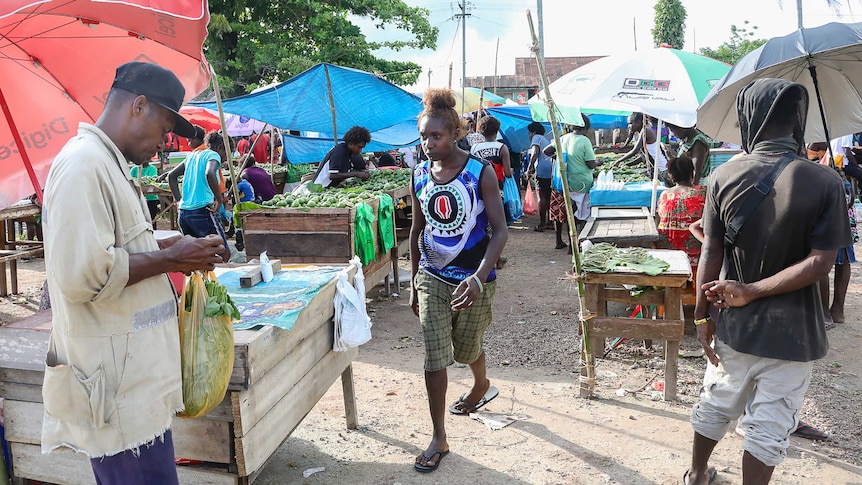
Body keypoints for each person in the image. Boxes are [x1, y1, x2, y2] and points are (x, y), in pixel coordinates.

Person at [41, 61, 228, 485]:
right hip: (115, 393)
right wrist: (171, 259)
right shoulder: (83, 165)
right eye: (165, 130)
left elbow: (116, 248)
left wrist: (176, 247)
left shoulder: (107, 164)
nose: (164, 144)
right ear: (138, 106)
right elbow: (82, 275)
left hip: (134, 384)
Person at [687, 78, 850, 485]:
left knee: (718, 400)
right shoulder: (826, 181)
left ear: (749, 120)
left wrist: (702, 316)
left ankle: (697, 474)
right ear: (798, 120)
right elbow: (823, 262)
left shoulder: (724, 176)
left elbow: (711, 252)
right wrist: (754, 291)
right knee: (771, 423)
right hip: (794, 332)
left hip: (734, 325)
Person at [409, 88, 508, 474]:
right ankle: (439, 436)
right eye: (422, 136)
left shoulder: (479, 172)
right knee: (434, 354)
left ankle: (480, 384)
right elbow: (418, 229)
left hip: (475, 279)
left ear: (454, 133)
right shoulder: (418, 173)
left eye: (436, 136)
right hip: (432, 275)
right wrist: (414, 281)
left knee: (466, 350)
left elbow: (500, 232)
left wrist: (478, 278)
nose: (428, 143)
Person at [168, 131, 232, 263]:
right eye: (227, 153)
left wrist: (179, 200)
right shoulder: (213, 155)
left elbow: (171, 176)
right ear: (220, 147)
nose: (226, 157)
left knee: (197, 256)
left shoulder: (193, 155)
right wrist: (219, 199)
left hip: (184, 214)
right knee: (223, 252)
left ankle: (201, 282)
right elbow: (209, 173)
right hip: (202, 213)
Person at [545, 116, 600, 250]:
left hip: (563, 182)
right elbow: (591, 164)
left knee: (564, 212)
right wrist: (599, 162)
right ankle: (575, 245)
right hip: (581, 184)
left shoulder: (563, 138)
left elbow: (546, 150)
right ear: (586, 127)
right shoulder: (584, 140)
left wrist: (559, 159)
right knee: (581, 215)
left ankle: (561, 241)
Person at [655, 154, 707, 271]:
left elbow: (659, 218)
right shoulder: (702, 192)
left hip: (667, 252)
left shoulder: (664, 195)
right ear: (691, 173)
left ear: (671, 176)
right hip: (694, 253)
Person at [819, 168, 857, 327]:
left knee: (820, 262)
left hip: (831, 213)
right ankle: (832, 310)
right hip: (838, 213)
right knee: (829, 261)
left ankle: (829, 313)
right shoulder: (837, 176)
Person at [617, 112, 668, 184]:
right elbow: (644, 157)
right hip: (655, 169)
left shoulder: (646, 130)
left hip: (661, 169)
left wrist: (619, 160)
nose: (629, 126)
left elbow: (634, 151)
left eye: (631, 123)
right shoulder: (642, 131)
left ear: (639, 122)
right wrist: (629, 164)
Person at [470, 115, 512, 187]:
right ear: (497, 131)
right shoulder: (502, 147)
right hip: (497, 187)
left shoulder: (474, 148)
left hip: (479, 186)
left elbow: (472, 170)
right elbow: (508, 174)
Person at [526, 121, 552, 231]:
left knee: (542, 195)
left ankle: (542, 223)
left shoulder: (536, 138)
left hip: (542, 169)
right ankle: (550, 222)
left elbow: (535, 152)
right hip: (551, 169)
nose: (529, 135)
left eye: (530, 133)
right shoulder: (546, 139)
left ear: (534, 132)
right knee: (549, 196)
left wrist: (530, 167)